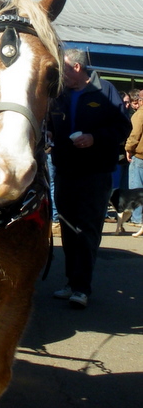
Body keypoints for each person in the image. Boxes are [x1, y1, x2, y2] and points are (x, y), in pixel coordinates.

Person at [49, 48, 131, 309]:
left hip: (95, 173)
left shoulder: (104, 90)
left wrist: (95, 138)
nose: (59, 74)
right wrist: (49, 137)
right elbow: (50, 124)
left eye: (62, 68)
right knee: (67, 227)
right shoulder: (59, 94)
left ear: (76, 67)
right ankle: (71, 282)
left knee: (87, 229)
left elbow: (123, 127)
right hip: (64, 170)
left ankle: (82, 287)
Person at [125, 97, 143, 227]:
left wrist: (128, 148)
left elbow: (135, 134)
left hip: (139, 155)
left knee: (136, 187)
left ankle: (137, 218)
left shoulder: (139, 114)